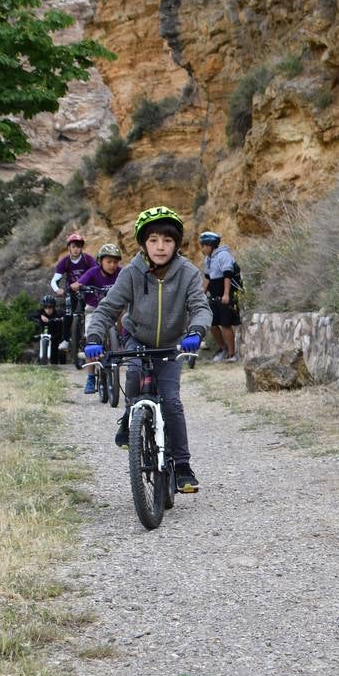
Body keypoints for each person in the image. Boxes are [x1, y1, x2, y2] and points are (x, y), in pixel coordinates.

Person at [83, 207, 211, 493]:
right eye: (153, 240)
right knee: (134, 374)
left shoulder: (188, 273)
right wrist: (93, 338)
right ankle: (130, 419)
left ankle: (182, 466)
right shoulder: (131, 273)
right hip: (137, 339)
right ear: (143, 244)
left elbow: (201, 308)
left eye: (167, 240)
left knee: (172, 401)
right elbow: (107, 309)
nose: (160, 247)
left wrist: (195, 331)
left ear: (176, 243)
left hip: (171, 344)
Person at [76, 243, 125, 394]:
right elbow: (79, 283)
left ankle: (122, 339)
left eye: (115, 262)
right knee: (91, 339)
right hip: (93, 309)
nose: (112, 265)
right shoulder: (92, 272)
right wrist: (78, 286)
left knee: (126, 316)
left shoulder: (121, 273)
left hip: (115, 309)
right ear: (100, 261)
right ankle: (91, 377)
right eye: (109, 261)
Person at [198, 230, 241, 362]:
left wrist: (226, 294)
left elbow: (227, 275)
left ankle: (232, 354)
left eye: (203, 245)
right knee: (212, 324)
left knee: (225, 325)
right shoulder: (208, 259)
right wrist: (201, 294)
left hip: (226, 295)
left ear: (210, 245)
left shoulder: (224, 255)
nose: (202, 248)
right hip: (215, 296)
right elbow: (207, 277)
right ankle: (223, 349)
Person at [50, 231, 97, 301]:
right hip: (72, 292)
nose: (76, 249)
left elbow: (97, 273)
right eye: (73, 246)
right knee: (70, 309)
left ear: (81, 248)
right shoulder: (64, 262)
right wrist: (57, 290)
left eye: (78, 246)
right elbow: (54, 281)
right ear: (69, 248)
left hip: (88, 291)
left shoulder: (88, 259)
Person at [29, 294, 66, 365]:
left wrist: (63, 319)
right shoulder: (40, 312)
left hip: (57, 337)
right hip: (43, 337)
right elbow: (29, 315)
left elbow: (68, 316)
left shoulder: (59, 313)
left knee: (58, 353)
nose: (48, 309)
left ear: (54, 307)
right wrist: (40, 316)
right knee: (38, 352)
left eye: (50, 307)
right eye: (45, 307)